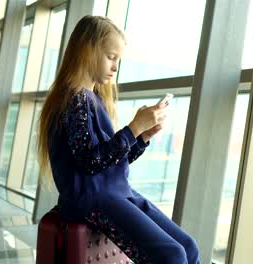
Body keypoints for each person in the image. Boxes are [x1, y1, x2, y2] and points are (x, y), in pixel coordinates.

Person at [37, 15, 200, 264]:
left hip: (114, 191)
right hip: (91, 198)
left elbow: (110, 162)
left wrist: (141, 136)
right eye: (110, 57)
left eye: (117, 60)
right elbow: (90, 163)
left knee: (188, 247)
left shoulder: (92, 98)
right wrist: (133, 128)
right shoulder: (74, 100)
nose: (115, 67)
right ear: (87, 51)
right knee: (172, 255)